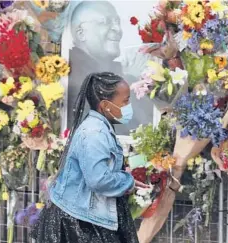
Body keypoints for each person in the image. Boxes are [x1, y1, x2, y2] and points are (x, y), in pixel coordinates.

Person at [31, 72, 147, 243]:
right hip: (78, 223)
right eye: (125, 101)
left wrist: (125, 180)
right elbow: (98, 180)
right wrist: (126, 181)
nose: (128, 106)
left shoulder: (98, 126)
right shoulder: (95, 133)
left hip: (79, 216)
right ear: (105, 105)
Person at [67, 1, 153, 135]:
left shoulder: (110, 70)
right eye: (104, 22)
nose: (117, 29)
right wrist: (130, 81)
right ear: (81, 34)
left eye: (117, 22)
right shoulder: (70, 72)